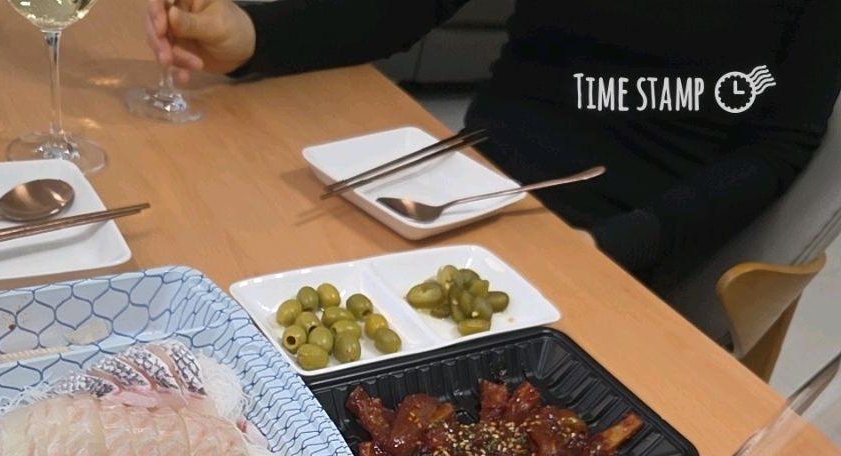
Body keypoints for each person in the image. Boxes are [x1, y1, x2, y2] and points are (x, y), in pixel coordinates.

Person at [145, 0, 841, 311]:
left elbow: (782, 142)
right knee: (227, 264)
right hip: (464, 180)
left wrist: (620, 243)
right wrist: (256, 35)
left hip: (610, 238)